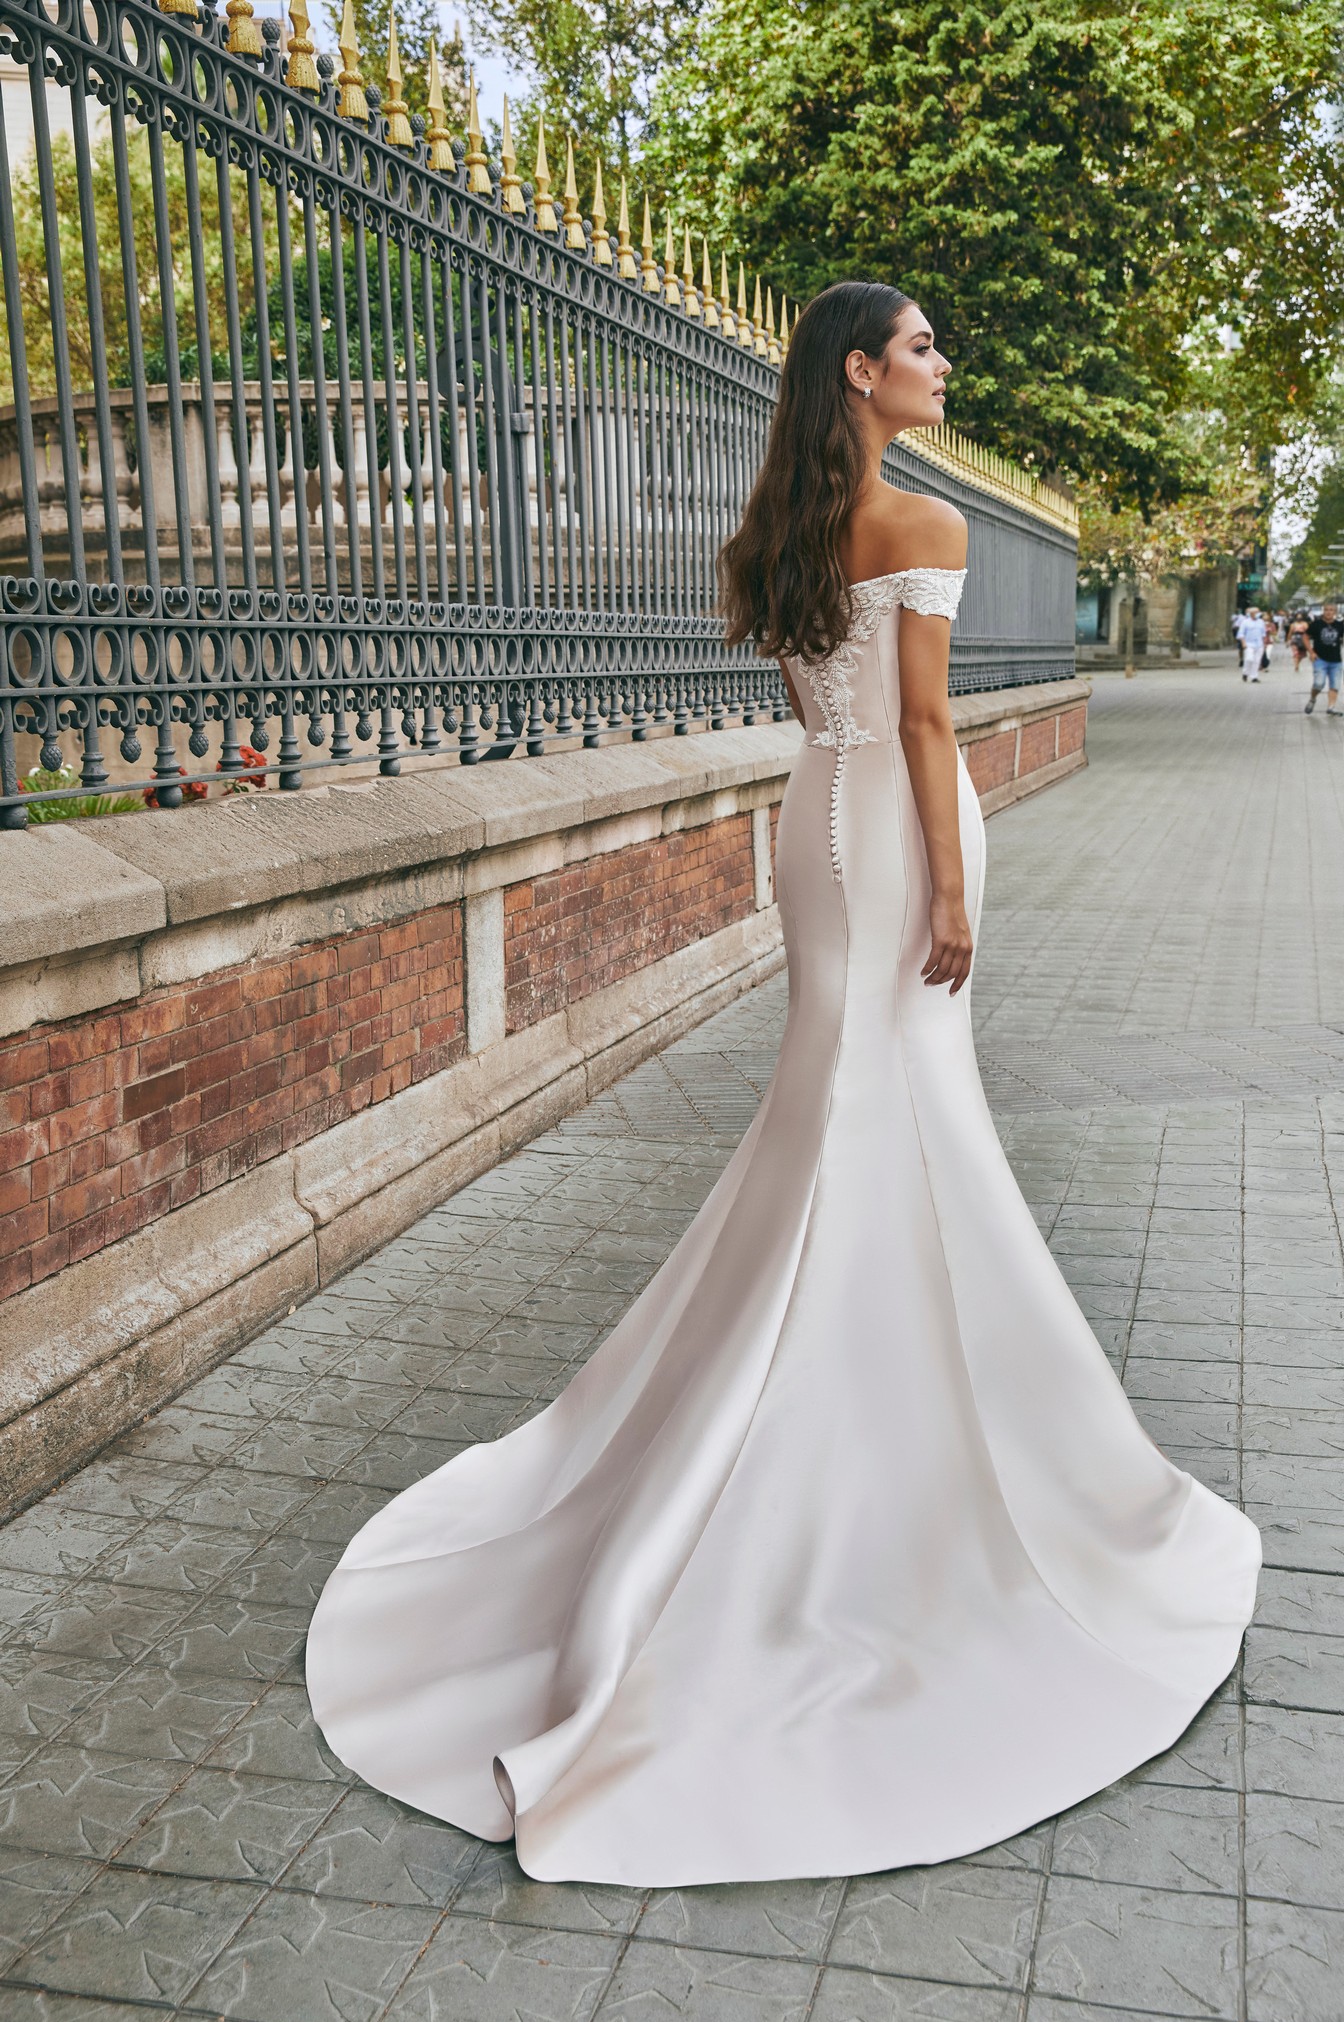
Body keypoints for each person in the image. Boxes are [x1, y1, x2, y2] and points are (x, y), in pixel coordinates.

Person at [306, 282, 1261, 1887]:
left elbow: (824, 714)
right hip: (896, 830)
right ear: (860, 372)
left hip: (807, 827)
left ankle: (778, 1397)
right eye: (924, 349)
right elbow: (923, 717)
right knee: (895, 1108)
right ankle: (877, 1446)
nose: (945, 365)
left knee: (837, 1104)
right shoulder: (918, 522)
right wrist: (954, 891)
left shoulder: (788, 525)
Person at [1306, 600, 1344, 714]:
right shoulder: (1316, 624)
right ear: (1323, 611)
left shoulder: (1339, 625)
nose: (1328, 612)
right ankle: (1313, 699)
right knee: (1318, 684)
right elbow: (1305, 637)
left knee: (1335, 685)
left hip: (1336, 661)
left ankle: (1331, 707)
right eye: (1326, 610)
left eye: (1331, 610)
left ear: (1335, 612)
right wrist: (1311, 652)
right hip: (1320, 659)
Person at [1241, 605, 1267, 682]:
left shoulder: (1261, 622)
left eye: (1258, 612)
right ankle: (1245, 673)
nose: (1258, 613)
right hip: (1249, 644)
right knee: (1249, 659)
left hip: (1259, 644)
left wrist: (1264, 644)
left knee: (1256, 661)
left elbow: (1263, 634)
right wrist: (1243, 643)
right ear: (1251, 613)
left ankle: (1254, 677)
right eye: (1256, 612)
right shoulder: (1245, 622)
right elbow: (1241, 634)